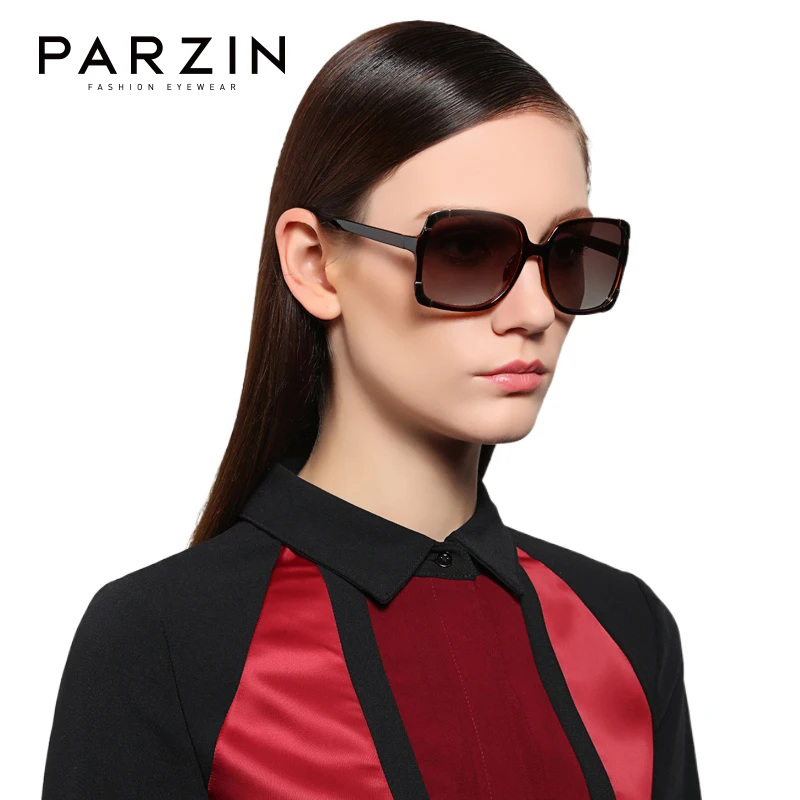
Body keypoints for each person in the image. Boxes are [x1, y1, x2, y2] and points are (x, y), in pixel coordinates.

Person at [41, 19, 701, 800]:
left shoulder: (625, 631)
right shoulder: (164, 639)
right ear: (315, 264)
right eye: (465, 249)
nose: (534, 312)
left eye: (566, 254)